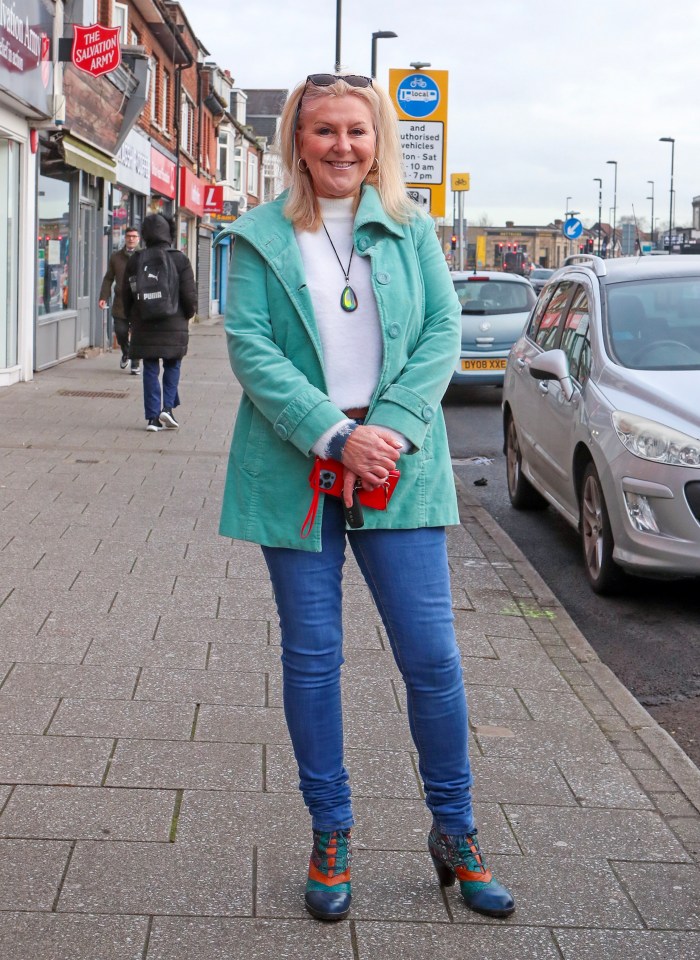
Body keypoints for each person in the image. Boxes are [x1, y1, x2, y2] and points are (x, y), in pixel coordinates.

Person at [219, 73, 515, 923]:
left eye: (356, 131)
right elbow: (249, 347)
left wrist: (383, 432)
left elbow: (440, 333)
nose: (341, 146)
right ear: (298, 142)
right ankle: (331, 831)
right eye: (323, 132)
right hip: (297, 464)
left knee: (433, 660)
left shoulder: (412, 227)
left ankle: (455, 831)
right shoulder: (257, 237)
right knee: (313, 659)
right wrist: (334, 435)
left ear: (376, 139)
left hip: (400, 463)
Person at [122, 213, 196, 432]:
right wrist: (188, 314)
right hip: (174, 323)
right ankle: (168, 409)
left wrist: (130, 318)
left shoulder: (137, 259)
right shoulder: (180, 259)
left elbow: (127, 293)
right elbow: (189, 295)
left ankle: (153, 418)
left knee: (150, 367)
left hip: (145, 322)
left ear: (145, 235)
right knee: (173, 364)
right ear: (169, 233)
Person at [99, 225, 141, 374]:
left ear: (138, 239)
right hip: (121, 302)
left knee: (137, 334)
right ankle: (126, 352)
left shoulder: (144, 255)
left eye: (134, 236)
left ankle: (135, 363)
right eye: (129, 236)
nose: (131, 239)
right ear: (125, 238)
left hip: (139, 303)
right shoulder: (116, 257)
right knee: (121, 331)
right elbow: (108, 278)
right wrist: (103, 297)